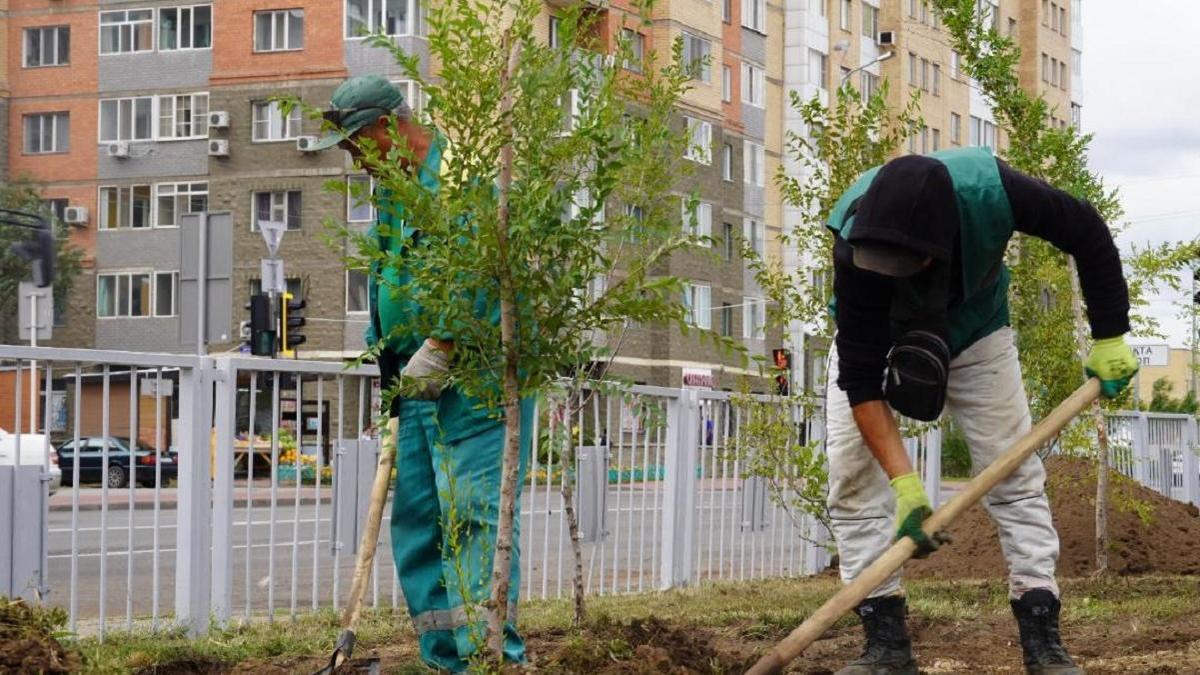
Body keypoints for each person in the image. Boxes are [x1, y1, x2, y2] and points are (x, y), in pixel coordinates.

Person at [823, 146, 1138, 675]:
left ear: (941, 243)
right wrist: (905, 485)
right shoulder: (854, 238)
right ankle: (884, 644)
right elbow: (859, 380)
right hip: (878, 338)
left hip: (977, 333)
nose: (894, 273)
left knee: (1014, 473)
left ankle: (1042, 637)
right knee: (852, 479)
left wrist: (1110, 335)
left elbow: (1087, 230)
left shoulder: (994, 192)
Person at [313, 75, 533, 672]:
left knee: (475, 520)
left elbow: (485, 274)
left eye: (359, 144)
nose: (356, 158)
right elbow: (390, 275)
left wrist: (443, 343)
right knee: (417, 524)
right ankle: (443, 657)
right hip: (413, 384)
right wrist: (382, 348)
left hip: (476, 381)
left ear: (386, 127)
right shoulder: (394, 191)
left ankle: (493, 659)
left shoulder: (461, 177)